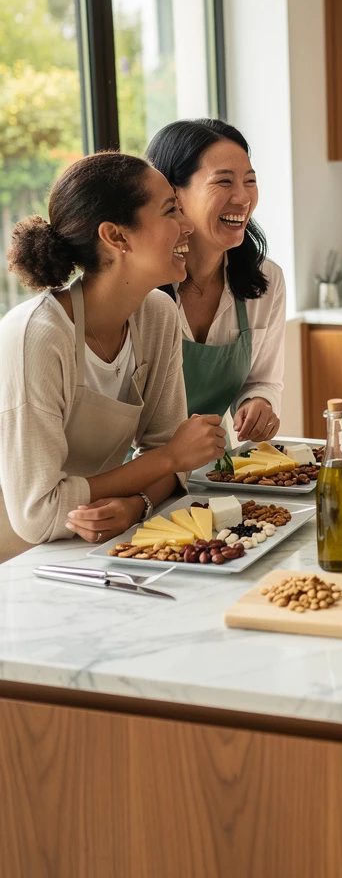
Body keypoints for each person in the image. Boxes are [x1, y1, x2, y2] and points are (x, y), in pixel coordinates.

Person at [0, 153, 226, 562]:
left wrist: (137, 503)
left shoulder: (156, 314)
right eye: (171, 209)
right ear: (117, 237)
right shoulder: (37, 336)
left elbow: (174, 463)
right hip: (16, 559)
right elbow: (36, 514)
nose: (188, 224)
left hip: (90, 551)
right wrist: (169, 458)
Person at [145, 119, 286, 442]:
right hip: (129, 474)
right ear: (173, 192)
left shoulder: (266, 280)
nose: (242, 197)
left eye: (250, 181)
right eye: (224, 182)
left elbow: (262, 379)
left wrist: (259, 402)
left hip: (209, 470)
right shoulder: (139, 289)